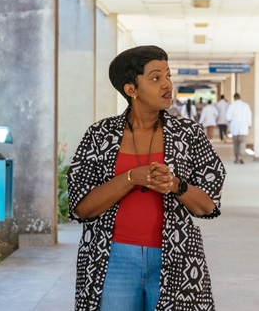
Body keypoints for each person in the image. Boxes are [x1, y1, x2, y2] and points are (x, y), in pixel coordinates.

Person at [67, 45, 226, 311]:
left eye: (168, 76)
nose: (167, 84)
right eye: (155, 78)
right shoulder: (99, 135)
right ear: (131, 89)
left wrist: (175, 185)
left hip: (176, 258)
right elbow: (81, 208)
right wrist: (131, 178)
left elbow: (208, 206)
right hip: (113, 259)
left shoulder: (189, 134)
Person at [226, 93, 252, 164]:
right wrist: (249, 124)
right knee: (242, 143)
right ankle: (241, 156)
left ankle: (237, 157)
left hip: (234, 127)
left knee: (236, 144)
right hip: (244, 127)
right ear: (240, 97)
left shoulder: (232, 106)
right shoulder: (245, 105)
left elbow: (228, 117)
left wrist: (230, 123)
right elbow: (249, 115)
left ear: (234, 98)